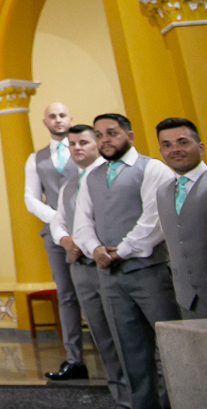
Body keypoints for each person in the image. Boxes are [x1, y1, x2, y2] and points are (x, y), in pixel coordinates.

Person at [73, 113, 179, 409]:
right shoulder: (92, 176)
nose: (105, 139)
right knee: (129, 350)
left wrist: (121, 251)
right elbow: (81, 221)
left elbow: (155, 219)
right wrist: (94, 249)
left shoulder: (152, 168)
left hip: (151, 272)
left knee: (169, 347)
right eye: (99, 134)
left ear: (129, 136)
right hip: (110, 278)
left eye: (112, 133)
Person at [48, 125, 129, 406]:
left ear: (97, 144)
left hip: (109, 265)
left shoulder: (113, 175)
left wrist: (87, 246)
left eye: (83, 142)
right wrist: (66, 240)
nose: (77, 148)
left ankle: (145, 395)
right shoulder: (69, 185)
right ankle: (120, 395)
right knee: (101, 335)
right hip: (80, 267)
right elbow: (58, 220)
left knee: (126, 334)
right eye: (72, 144)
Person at [23, 101, 84, 379]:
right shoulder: (36, 159)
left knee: (96, 294)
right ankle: (74, 359)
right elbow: (31, 198)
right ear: (45, 122)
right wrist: (57, 219)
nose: (58, 120)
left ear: (70, 119)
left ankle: (113, 355)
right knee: (66, 295)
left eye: (62, 115)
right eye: (52, 116)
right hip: (54, 234)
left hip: (87, 231)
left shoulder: (84, 151)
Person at [154, 117, 207, 320]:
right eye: (166, 145)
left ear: (200, 147)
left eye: (182, 142)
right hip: (187, 299)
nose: (175, 149)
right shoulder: (162, 192)